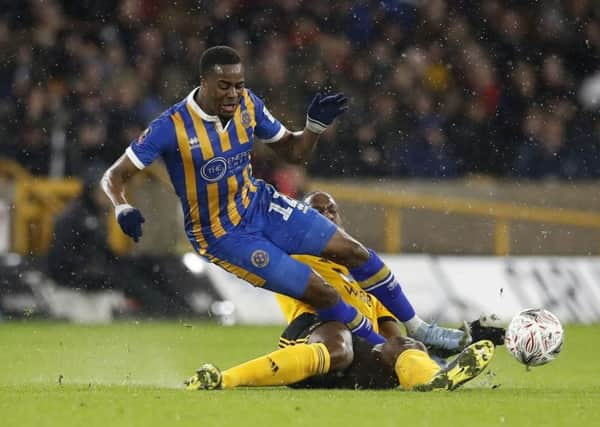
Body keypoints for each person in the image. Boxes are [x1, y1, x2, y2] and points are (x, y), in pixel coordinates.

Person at [102, 45, 468, 379]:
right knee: (322, 293)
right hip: (222, 235)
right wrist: (122, 208)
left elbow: (293, 152)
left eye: (238, 85)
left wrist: (313, 128)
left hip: (261, 204)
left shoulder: (249, 104)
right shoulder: (171, 126)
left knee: (352, 251)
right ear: (205, 82)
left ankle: (421, 330)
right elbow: (114, 175)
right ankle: (395, 356)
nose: (233, 93)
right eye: (224, 86)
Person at [184, 191, 503, 391]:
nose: (324, 215)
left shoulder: (364, 284)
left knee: (402, 345)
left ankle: (434, 380)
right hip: (311, 332)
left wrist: (402, 352)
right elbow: (324, 301)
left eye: (330, 210)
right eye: (314, 211)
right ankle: (224, 379)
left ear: (340, 220)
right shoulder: (294, 257)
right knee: (339, 340)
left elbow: (390, 336)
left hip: (355, 358)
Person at [48, 164, 193, 316]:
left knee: (148, 264)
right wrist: (97, 273)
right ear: (91, 192)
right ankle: (165, 311)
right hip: (77, 277)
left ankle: (176, 306)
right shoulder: (75, 218)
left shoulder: (92, 214)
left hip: (91, 272)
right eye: (103, 193)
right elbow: (64, 259)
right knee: (131, 279)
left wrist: (130, 261)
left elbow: (105, 253)